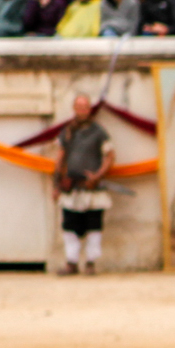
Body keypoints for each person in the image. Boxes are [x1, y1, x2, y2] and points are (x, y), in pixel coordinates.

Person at [54, 93, 113, 275]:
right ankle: (71, 263)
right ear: (74, 109)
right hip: (71, 187)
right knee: (69, 227)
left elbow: (110, 156)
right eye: (79, 107)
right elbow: (60, 157)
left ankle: (90, 263)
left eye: (85, 107)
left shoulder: (99, 132)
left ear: (89, 109)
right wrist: (56, 183)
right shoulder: (67, 131)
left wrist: (97, 175)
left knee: (94, 227)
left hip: (92, 188)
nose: (82, 111)